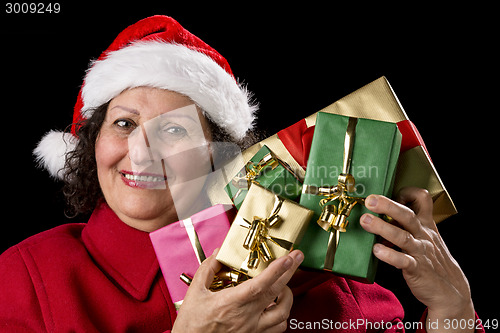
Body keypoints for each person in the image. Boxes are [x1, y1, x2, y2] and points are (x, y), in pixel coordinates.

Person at [0, 15, 482, 333]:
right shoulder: (26, 276)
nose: (142, 153)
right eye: (123, 124)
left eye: (174, 129)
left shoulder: (320, 262)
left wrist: (454, 310)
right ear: (93, 142)